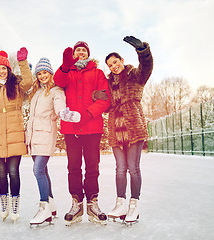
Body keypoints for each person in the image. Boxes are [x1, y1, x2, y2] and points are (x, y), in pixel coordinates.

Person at [92, 36, 153, 224]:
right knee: (120, 169)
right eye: (110, 65)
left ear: (122, 61)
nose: (113, 66)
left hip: (134, 127)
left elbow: (147, 67)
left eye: (115, 62)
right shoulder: (109, 83)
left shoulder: (135, 75)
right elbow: (106, 103)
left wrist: (143, 51)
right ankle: (120, 204)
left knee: (133, 168)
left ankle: (134, 206)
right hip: (116, 131)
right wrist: (96, 95)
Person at [53, 41, 111, 225]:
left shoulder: (98, 73)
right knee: (74, 167)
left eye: (84, 50)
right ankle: (76, 203)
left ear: (88, 54)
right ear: (74, 54)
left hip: (92, 128)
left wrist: (86, 114)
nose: (80, 52)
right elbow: (58, 82)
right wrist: (64, 66)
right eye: (78, 50)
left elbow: (105, 98)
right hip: (71, 129)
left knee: (92, 166)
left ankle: (93, 202)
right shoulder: (67, 72)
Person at [26, 58, 81, 226]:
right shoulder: (36, 92)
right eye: (39, 73)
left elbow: (59, 106)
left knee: (38, 170)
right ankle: (51, 203)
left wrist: (65, 114)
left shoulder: (56, 90)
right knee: (43, 170)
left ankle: (44, 208)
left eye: (45, 72)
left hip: (46, 134)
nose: (42, 76)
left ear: (50, 73)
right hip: (32, 136)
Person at [0, 48, 32, 223]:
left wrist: (23, 62)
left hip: (15, 132)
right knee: (0, 173)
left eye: (4, 68)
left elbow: (29, 82)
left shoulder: (16, 85)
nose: (1, 71)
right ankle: (4, 204)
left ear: (8, 69)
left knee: (13, 172)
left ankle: (15, 205)